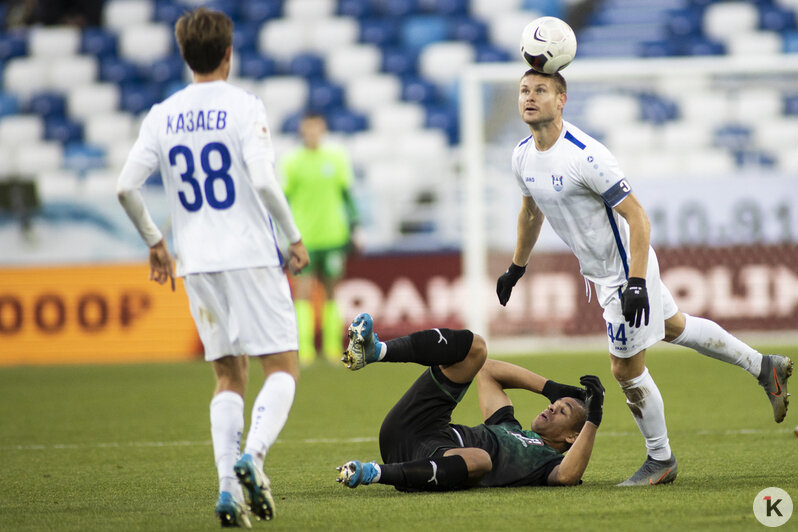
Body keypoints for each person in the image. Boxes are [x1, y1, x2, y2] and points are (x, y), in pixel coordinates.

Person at [496, 68, 794, 486]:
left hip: (624, 274)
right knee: (674, 326)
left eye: (541, 90)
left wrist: (635, 281)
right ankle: (764, 366)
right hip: (604, 275)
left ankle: (661, 459)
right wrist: (517, 266)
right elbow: (531, 212)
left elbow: (637, 216)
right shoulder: (522, 155)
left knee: (624, 369)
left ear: (561, 99)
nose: (529, 97)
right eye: (524, 90)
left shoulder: (585, 154)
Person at [116, 8, 309, 527]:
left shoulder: (162, 113)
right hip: (248, 255)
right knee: (283, 368)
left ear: (184, 55)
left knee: (228, 376)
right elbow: (265, 182)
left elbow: (125, 187)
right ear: (229, 54)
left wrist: (156, 242)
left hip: (196, 262)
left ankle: (227, 488)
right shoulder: (244, 106)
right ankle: (256, 457)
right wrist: (293, 236)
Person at [334, 313, 604, 491]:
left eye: (563, 411)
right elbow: (488, 370)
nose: (552, 407)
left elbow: (568, 476)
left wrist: (593, 419)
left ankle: (375, 473)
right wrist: (550, 388)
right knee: (475, 348)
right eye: (556, 404)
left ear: (572, 436)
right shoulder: (508, 424)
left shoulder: (546, 464)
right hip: (410, 427)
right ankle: (378, 351)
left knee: (480, 459)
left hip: (427, 460)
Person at [280, 112, 359, 365]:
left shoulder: (336, 158)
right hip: (303, 239)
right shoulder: (291, 162)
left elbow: (347, 195)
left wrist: (355, 225)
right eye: (307, 129)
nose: (312, 133)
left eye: (316, 128)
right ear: (302, 131)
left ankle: (332, 347)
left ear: (322, 129)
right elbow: (283, 200)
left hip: (334, 236)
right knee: (302, 292)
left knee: (332, 291)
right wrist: (284, 233)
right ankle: (304, 349)